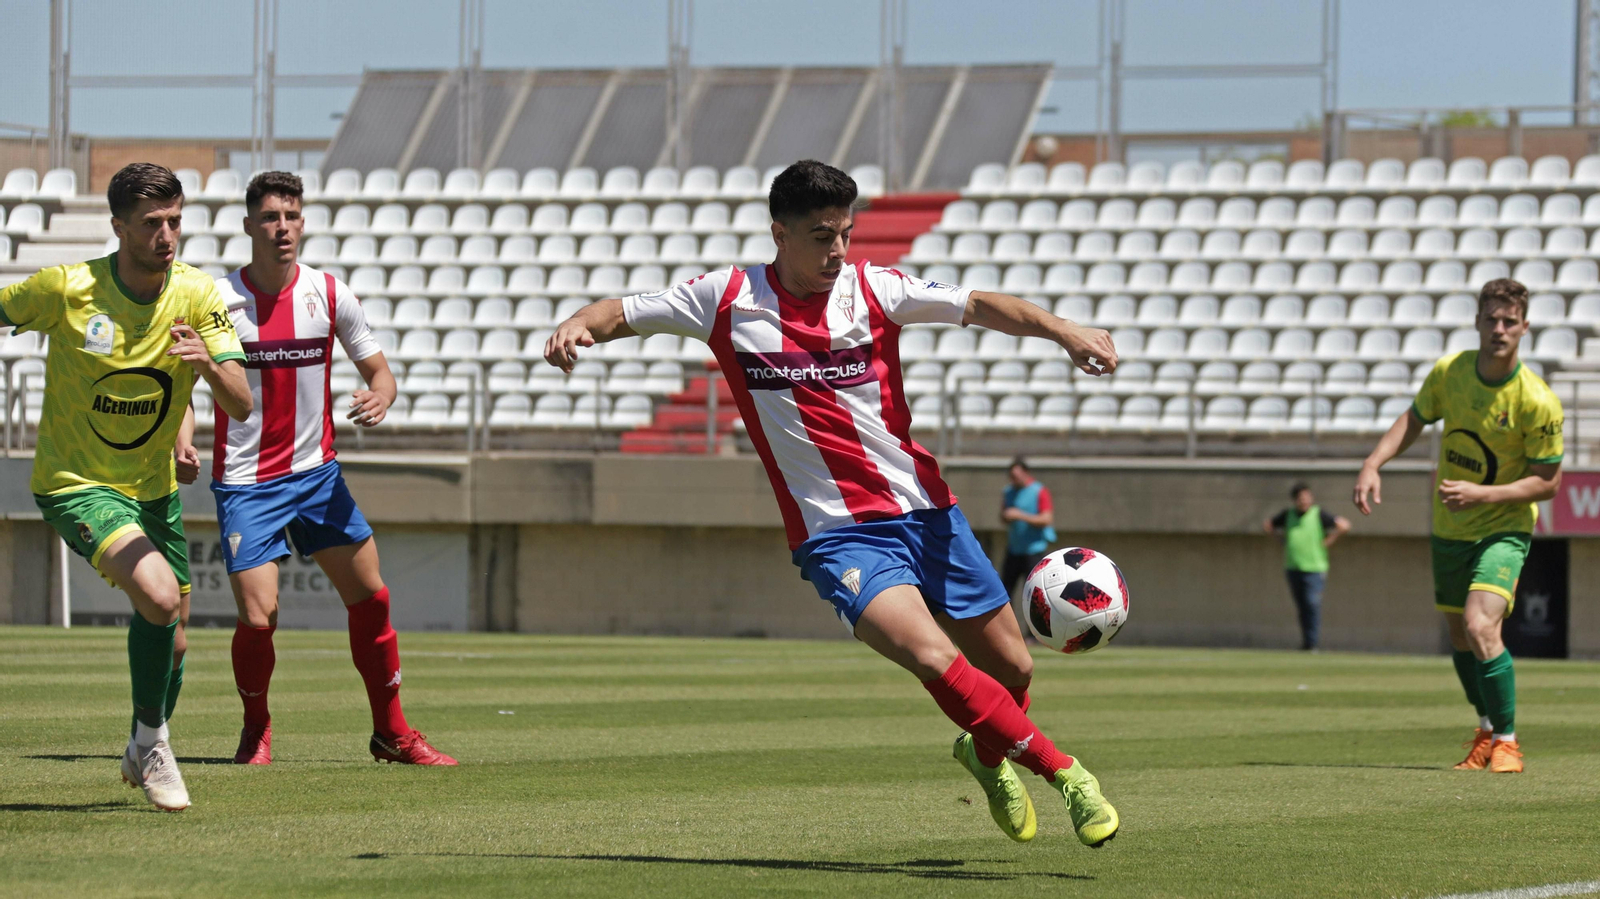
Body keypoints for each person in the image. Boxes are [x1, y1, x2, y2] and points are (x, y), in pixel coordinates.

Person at [545, 160, 1122, 847]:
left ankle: (985, 750)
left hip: (926, 511)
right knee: (934, 657)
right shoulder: (724, 297)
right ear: (779, 234)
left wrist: (1061, 329)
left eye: (846, 233)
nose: (838, 251)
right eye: (822, 236)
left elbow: (976, 304)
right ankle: (1069, 777)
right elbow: (620, 312)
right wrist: (579, 324)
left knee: (1015, 668)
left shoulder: (874, 288)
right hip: (838, 534)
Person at [172, 171, 455, 767]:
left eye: (292, 217)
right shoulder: (217, 301)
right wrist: (182, 442)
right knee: (258, 616)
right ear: (249, 225)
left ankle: (391, 733)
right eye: (271, 217)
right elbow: (184, 389)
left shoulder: (329, 294)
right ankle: (256, 728)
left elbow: (381, 372)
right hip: (247, 482)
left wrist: (382, 394)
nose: (283, 228)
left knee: (372, 599)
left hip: (317, 477)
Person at [0, 163, 253, 810]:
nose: (167, 235)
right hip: (75, 481)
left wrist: (206, 364)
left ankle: (142, 742)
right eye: (152, 224)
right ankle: (154, 741)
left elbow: (243, 402)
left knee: (176, 630)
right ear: (119, 228)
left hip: (154, 490)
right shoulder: (67, 288)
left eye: (174, 221)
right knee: (161, 596)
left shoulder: (198, 295)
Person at [1353, 278, 1563, 774]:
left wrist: (1483, 495)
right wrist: (1372, 463)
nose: (1499, 328)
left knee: (1479, 623)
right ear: (1476, 322)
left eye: (1509, 321)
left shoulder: (1537, 399)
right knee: (1460, 636)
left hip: (1504, 527)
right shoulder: (1451, 373)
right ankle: (1487, 729)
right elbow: (1415, 417)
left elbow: (1549, 482)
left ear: (1525, 327)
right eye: (1491, 318)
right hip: (1450, 527)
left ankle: (1508, 742)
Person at [1263, 483, 1350, 650]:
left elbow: (1344, 525)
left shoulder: (1318, 514)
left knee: (1312, 604)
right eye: (1301, 498)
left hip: (1315, 568)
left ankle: (1312, 643)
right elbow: (1268, 525)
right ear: (1295, 500)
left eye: (1307, 497)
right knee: (1302, 607)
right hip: (1293, 566)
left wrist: (1330, 539)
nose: (1305, 501)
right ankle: (1306, 643)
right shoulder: (1288, 515)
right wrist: (1281, 540)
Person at [998, 457, 1055, 600]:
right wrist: (1006, 516)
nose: (1014, 480)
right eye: (1012, 477)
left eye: (1017, 476)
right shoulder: (1008, 491)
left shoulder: (1039, 491)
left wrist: (1020, 515)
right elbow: (1003, 516)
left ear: (1026, 473)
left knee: (1035, 594)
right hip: (1014, 550)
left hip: (1034, 551)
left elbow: (1046, 518)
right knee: (1004, 591)